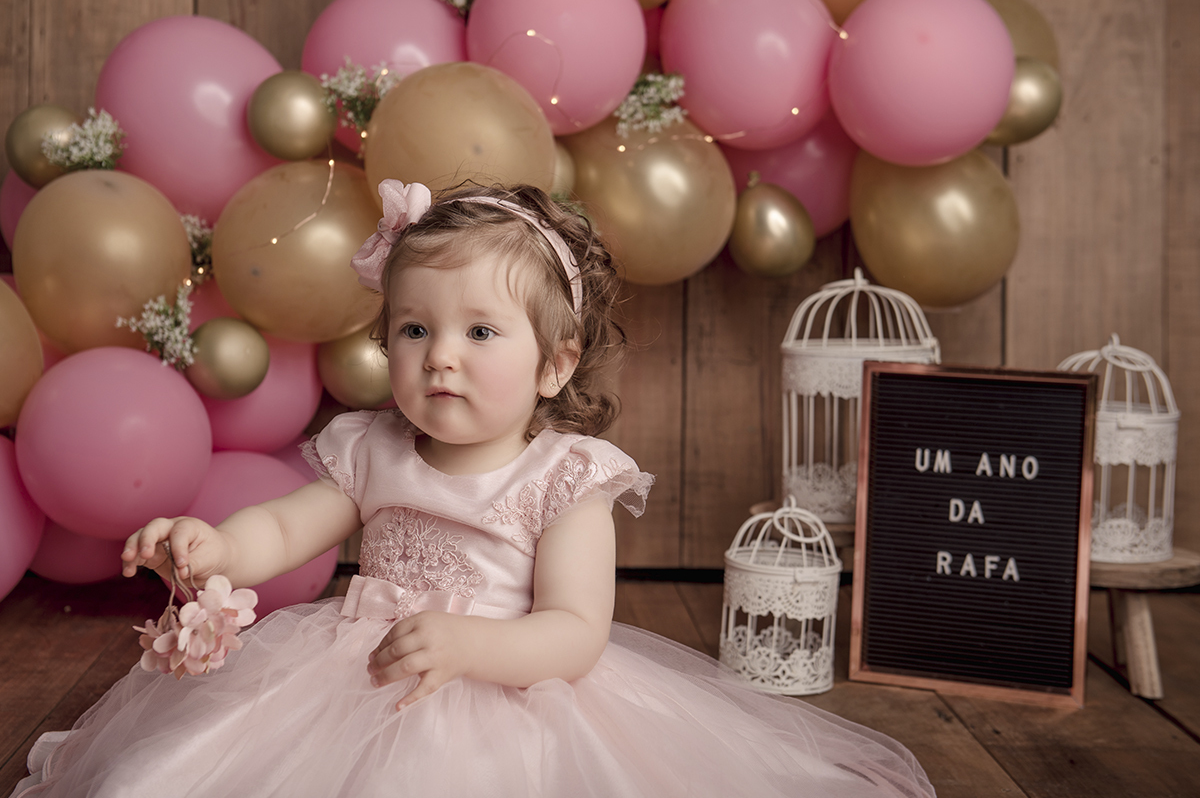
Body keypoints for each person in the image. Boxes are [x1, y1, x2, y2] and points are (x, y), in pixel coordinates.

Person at [13, 180, 934, 798]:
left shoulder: (565, 478)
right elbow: (289, 527)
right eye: (414, 329)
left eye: (480, 333)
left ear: (554, 364)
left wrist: (471, 644)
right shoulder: (373, 445)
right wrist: (216, 546)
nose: (439, 356)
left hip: (503, 682)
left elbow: (575, 632)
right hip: (350, 672)